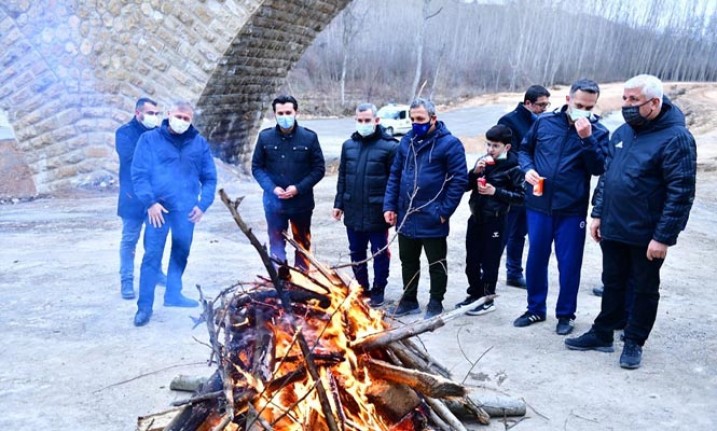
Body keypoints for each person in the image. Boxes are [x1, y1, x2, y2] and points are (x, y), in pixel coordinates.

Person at [565, 74, 697, 369]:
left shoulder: (676, 138)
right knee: (612, 282)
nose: (626, 105)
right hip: (614, 226)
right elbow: (608, 177)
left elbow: (681, 192)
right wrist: (598, 213)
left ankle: (634, 340)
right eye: (624, 98)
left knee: (643, 288)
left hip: (647, 233)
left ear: (654, 103)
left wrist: (663, 237)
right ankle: (603, 333)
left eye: (633, 100)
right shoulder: (622, 133)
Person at [514, 78, 609, 335]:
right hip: (538, 205)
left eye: (589, 107)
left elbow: (599, 168)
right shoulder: (544, 122)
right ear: (568, 100)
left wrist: (587, 139)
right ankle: (535, 308)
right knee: (536, 258)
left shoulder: (598, 131)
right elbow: (524, 150)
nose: (583, 111)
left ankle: (566, 314)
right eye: (579, 104)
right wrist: (528, 169)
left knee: (569, 264)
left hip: (571, 209)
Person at [131, 100, 217, 326]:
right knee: (152, 257)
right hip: (158, 210)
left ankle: (173, 294)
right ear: (169, 115)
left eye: (186, 119)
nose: (182, 122)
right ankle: (144, 307)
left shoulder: (199, 144)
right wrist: (150, 203)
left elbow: (209, 178)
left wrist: (203, 204)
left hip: (186, 210)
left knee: (180, 252)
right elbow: (139, 174)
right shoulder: (149, 140)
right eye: (178, 116)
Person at [383, 98, 468, 319]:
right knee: (408, 261)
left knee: (436, 262)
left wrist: (443, 212)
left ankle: (435, 302)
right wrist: (390, 206)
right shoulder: (406, 142)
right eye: (412, 119)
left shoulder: (450, 144)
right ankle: (409, 300)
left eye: (420, 119)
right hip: (406, 214)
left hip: (433, 215)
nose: (415, 123)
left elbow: (459, 181)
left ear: (433, 118)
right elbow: (395, 175)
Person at [333, 103, 398, 308]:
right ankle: (362, 287)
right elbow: (343, 176)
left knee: (379, 252)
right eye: (359, 120)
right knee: (356, 252)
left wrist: (391, 207)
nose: (363, 124)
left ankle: (378, 290)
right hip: (353, 209)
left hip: (377, 211)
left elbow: (394, 181)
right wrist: (339, 203)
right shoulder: (348, 146)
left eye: (367, 120)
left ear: (376, 120)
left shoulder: (390, 146)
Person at [455, 124, 524, 316]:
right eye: (488, 145)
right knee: (472, 260)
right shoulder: (483, 161)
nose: (490, 150)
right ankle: (474, 294)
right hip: (476, 217)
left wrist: (497, 192)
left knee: (490, 261)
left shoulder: (514, 167)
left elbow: (522, 196)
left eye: (495, 146)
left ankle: (487, 299)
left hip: (496, 220)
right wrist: (475, 172)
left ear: (506, 147)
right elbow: (466, 186)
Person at [252, 95, 325, 270]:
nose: (284, 116)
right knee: (276, 243)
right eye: (280, 113)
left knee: (302, 244)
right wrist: (272, 188)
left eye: (288, 112)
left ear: (295, 112)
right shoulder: (265, 138)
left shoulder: (309, 138)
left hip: (301, 203)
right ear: (275, 114)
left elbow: (318, 169)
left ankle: (303, 281)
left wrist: (298, 188)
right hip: (274, 204)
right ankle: (281, 281)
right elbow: (257, 168)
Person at [497, 85, 551, 289]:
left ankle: (514, 272)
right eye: (540, 105)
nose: (544, 108)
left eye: (547, 104)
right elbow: (504, 153)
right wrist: (524, 169)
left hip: (535, 185)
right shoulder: (509, 121)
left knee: (520, 232)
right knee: (504, 231)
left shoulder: (545, 121)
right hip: (513, 184)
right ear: (528, 103)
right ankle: (488, 271)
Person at [115, 97, 167, 300]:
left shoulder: (158, 133)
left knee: (155, 239)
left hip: (156, 197)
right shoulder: (124, 133)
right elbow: (131, 159)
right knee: (130, 239)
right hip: (132, 197)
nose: (154, 117)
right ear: (138, 113)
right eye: (150, 113)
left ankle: (155, 273)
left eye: (156, 114)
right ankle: (126, 280)